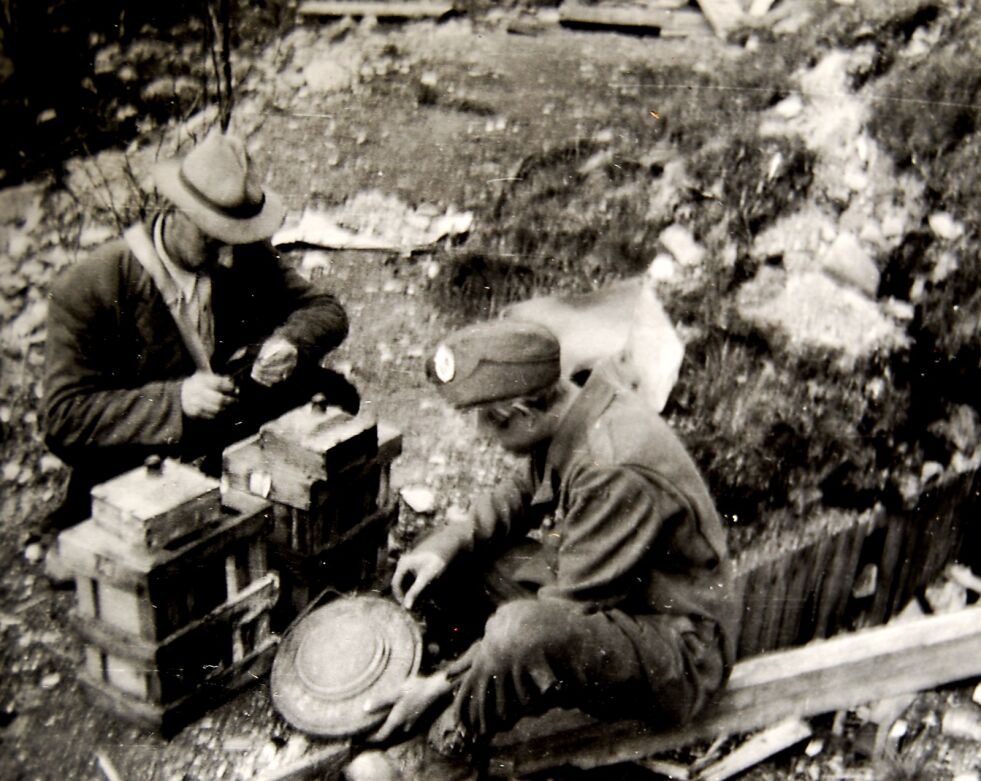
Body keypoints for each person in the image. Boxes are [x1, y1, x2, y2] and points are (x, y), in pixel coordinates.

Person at [367, 319, 741, 763]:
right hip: (626, 596)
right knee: (460, 559)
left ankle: (444, 752)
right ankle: (476, 670)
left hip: (679, 655)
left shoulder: (612, 469)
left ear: (524, 414)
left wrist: (441, 686)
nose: (482, 436)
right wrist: (447, 542)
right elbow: (526, 487)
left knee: (519, 634)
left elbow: (561, 613)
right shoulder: (577, 406)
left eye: (489, 424)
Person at [42, 130, 357, 532]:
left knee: (333, 397)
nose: (227, 259)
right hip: (144, 449)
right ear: (172, 210)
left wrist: (289, 344)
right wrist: (176, 400)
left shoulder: (241, 250)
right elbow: (63, 418)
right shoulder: (92, 285)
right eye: (212, 240)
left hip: (223, 426)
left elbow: (325, 310)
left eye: (233, 241)